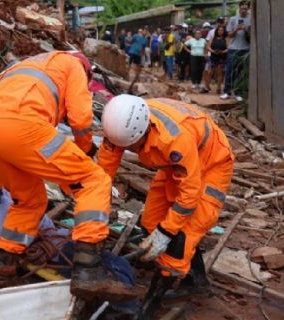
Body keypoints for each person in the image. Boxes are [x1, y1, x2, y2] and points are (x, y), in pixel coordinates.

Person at [0, 51, 138, 301]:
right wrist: (85, 150)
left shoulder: (26, 66)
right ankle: (88, 269)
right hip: (25, 126)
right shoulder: (73, 66)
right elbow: (80, 119)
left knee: (29, 201)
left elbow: (3, 129)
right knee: (94, 180)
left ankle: (3, 266)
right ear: (87, 71)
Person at [99, 95, 233, 319]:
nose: (128, 150)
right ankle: (196, 280)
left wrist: (166, 232)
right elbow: (103, 173)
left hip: (211, 162)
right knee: (151, 222)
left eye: (131, 147)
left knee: (181, 239)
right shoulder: (118, 128)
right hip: (176, 165)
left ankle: (150, 306)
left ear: (143, 133)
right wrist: (97, 215)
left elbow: (189, 196)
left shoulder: (173, 140)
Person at [221, 1, 251, 101]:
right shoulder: (233, 19)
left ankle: (239, 93)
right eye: (242, 8)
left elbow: (255, 33)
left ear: (248, 9)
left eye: (245, 8)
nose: (243, 10)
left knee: (241, 72)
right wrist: (236, 29)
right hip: (233, 48)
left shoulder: (252, 18)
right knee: (229, 71)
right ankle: (227, 92)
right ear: (239, 8)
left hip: (246, 49)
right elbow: (229, 35)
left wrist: (246, 29)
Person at [203, 25, 228, 94]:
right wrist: (213, 51)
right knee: (209, 72)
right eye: (219, 30)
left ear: (224, 31)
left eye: (222, 30)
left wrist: (222, 52)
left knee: (220, 73)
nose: (220, 31)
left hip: (222, 57)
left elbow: (228, 48)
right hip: (213, 57)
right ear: (217, 31)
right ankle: (207, 87)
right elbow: (208, 46)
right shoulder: (213, 38)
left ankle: (219, 88)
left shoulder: (226, 39)